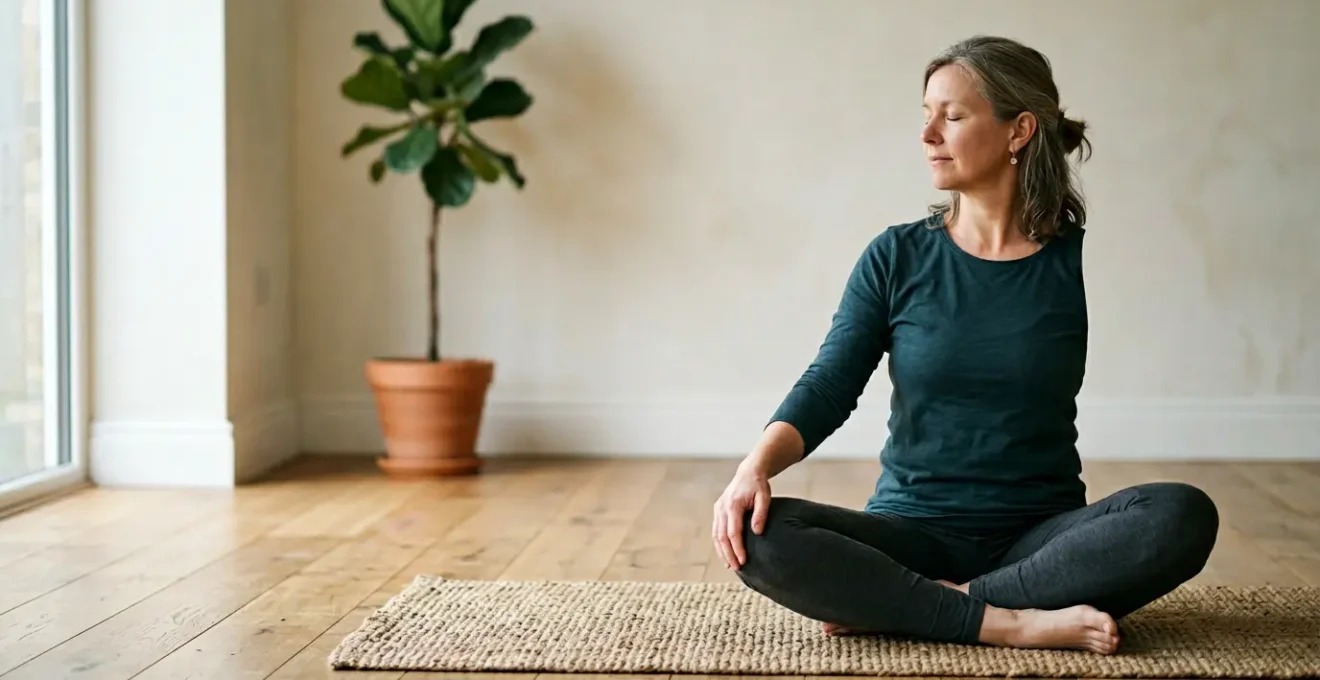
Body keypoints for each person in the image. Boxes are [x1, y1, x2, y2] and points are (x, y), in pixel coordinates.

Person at [711, 35, 1220, 656]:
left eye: (951, 117)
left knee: (1181, 514)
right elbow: (829, 383)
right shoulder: (896, 255)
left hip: (1040, 535)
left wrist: (913, 598)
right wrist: (752, 469)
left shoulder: (1068, 259)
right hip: (911, 528)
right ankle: (1011, 621)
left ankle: (931, 604)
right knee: (761, 533)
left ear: (1019, 130)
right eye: (925, 116)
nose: (928, 135)